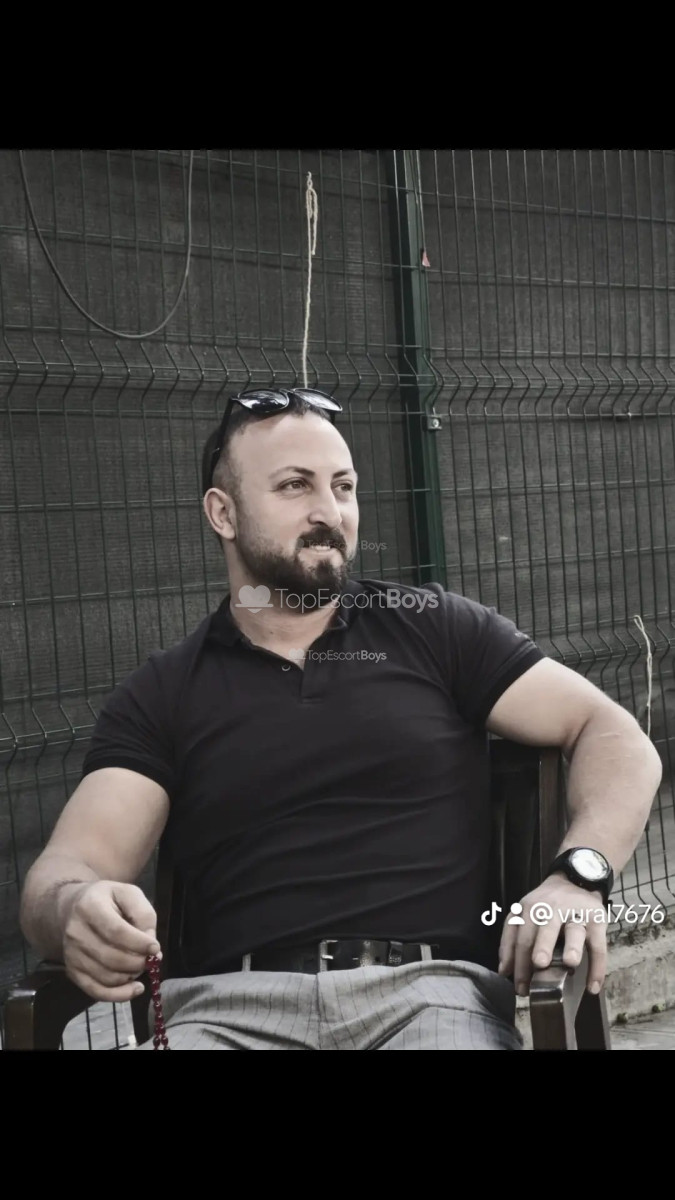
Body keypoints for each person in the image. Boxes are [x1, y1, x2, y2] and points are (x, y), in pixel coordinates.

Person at [20, 387, 662, 1050]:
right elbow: (67, 867)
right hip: (225, 1015)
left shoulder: (435, 630)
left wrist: (578, 875)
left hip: (428, 1001)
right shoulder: (165, 692)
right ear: (223, 512)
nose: (329, 511)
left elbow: (612, 734)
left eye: (344, 486)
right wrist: (74, 909)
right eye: (294, 486)